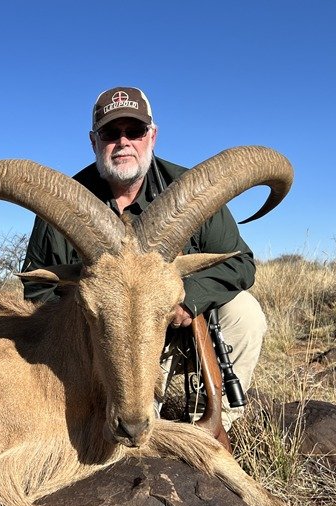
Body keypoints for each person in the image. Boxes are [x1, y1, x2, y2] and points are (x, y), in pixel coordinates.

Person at [21, 86, 267, 431]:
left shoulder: (189, 190)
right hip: (100, 343)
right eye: (110, 133)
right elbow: (36, 292)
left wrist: (187, 300)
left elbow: (240, 263)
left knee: (245, 313)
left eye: (134, 131)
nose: (123, 142)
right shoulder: (61, 206)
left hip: (180, 325)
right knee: (132, 422)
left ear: (151, 136)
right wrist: (98, 312)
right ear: (94, 141)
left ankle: (215, 421)